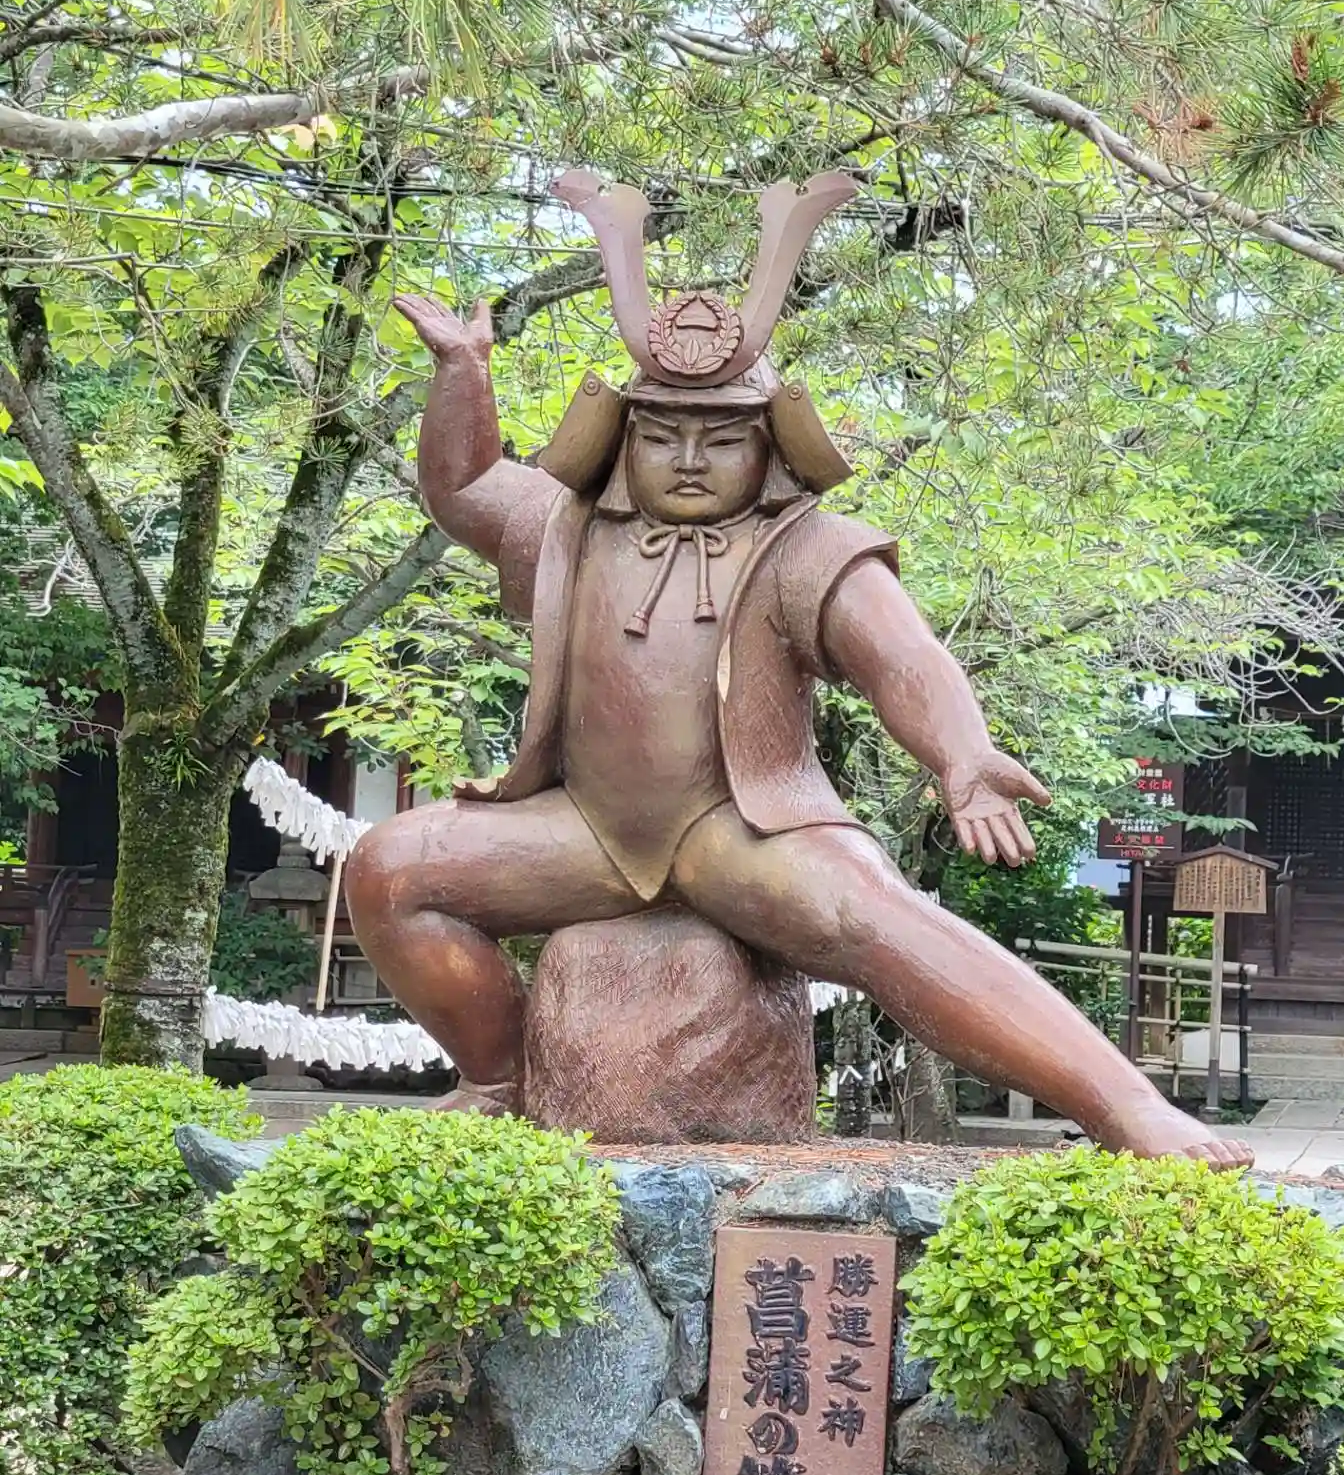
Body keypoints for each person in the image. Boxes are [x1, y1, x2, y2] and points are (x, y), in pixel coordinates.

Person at [346, 170, 1250, 1169]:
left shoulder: (810, 548)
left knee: (881, 923)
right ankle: (496, 1080)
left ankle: (1126, 1109)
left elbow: (905, 658)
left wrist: (963, 754)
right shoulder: (564, 526)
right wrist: (463, 375)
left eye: (723, 439)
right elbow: (465, 486)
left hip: (746, 827)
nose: (690, 460)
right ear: (621, 437)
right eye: (662, 436)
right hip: (587, 830)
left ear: (772, 444)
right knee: (390, 873)